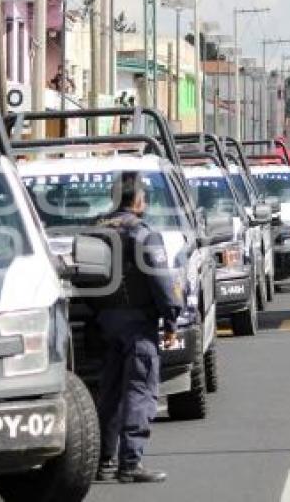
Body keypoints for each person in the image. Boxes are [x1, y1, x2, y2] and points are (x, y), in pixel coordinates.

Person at [93, 171, 181, 484]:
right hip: (138, 323)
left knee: (110, 392)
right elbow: (160, 279)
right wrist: (171, 318)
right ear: (138, 200)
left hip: (105, 322)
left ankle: (103, 460)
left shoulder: (96, 230)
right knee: (140, 390)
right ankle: (130, 462)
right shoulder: (142, 233)